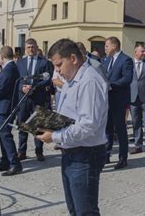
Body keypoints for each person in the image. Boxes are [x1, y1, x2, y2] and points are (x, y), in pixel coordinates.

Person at [36, 39, 108, 216]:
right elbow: (69, 113)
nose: (57, 70)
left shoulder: (89, 81)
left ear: (73, 58)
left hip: (85, 154)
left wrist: (54, 137)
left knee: (85, 211)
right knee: (74, 209)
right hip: (71, 151)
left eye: (59, 65)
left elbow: (88, 125)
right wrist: (49, 125)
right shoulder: (72, 79)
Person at [16, 38, 54, 162]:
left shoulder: (44, 63)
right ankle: (21, 151)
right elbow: (16, 79)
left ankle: (39, 151)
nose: (31, 49)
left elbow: (48, 79)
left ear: (37, 48)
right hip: (24, 99)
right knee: (23, 125)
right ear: (25, 49)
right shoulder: (20, 62)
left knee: (38, 125)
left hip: (38, 98)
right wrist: (22, 87)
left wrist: (34, 87)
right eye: (28, 47)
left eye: (33, 47)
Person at [0, 46, 22, 175]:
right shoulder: (10, 68)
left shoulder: (8, 70)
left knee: (5, 135)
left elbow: (2, 89)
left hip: (5, 106)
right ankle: (5, 161)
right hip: (3, 106)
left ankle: (15, 163)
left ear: (2, 57)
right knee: (3, 134)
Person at [104, 36, 133, 169]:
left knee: (120, 129)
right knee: (107, 128)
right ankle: (106, 154)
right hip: (107, 100)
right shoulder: (107, 59)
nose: (105, 49)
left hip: (119, 100)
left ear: (114, 46)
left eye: (107, 46)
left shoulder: (125, 60)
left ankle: (123, 158)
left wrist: (111, 85)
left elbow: (127, 78)